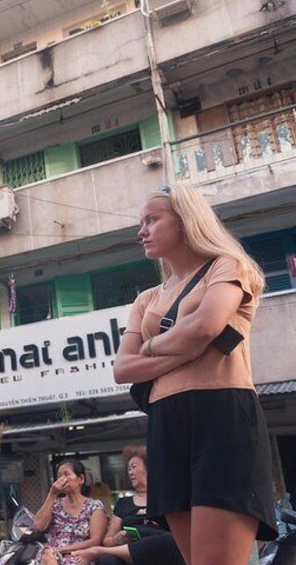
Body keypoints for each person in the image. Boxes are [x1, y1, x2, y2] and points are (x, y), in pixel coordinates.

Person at [114, 184, 277, 565]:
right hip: (165, 423)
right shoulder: (147, 298)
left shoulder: (227, 264)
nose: (142, 231)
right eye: (142, 223)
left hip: (221, 413)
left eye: (152, 219)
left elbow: (206, 326)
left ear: (187, 219)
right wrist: (181, 348)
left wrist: (151, 347)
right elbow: (123, 368)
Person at [70, 446, 184, 565]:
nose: (130, 472)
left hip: (159, 550)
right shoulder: (123, 503)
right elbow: (107, 540)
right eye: (128, 468)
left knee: (169, 540)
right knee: (107, 560)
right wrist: (116, 539)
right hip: (128, 552)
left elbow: (179, 532)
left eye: (134, 467)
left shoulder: (165, 499)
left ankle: (99, 551)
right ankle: (105, 552)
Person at [33, 459, 108, 565]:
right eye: (59, 476)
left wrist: (62, 549)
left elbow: (96, 541)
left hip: (81, 556)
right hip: (52, 557)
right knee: (47, 556)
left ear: (81, 479)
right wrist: (52, 494)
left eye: (67, 474)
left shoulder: (94, 506)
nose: (62, 479)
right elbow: (38, 526)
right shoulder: (55, 505)